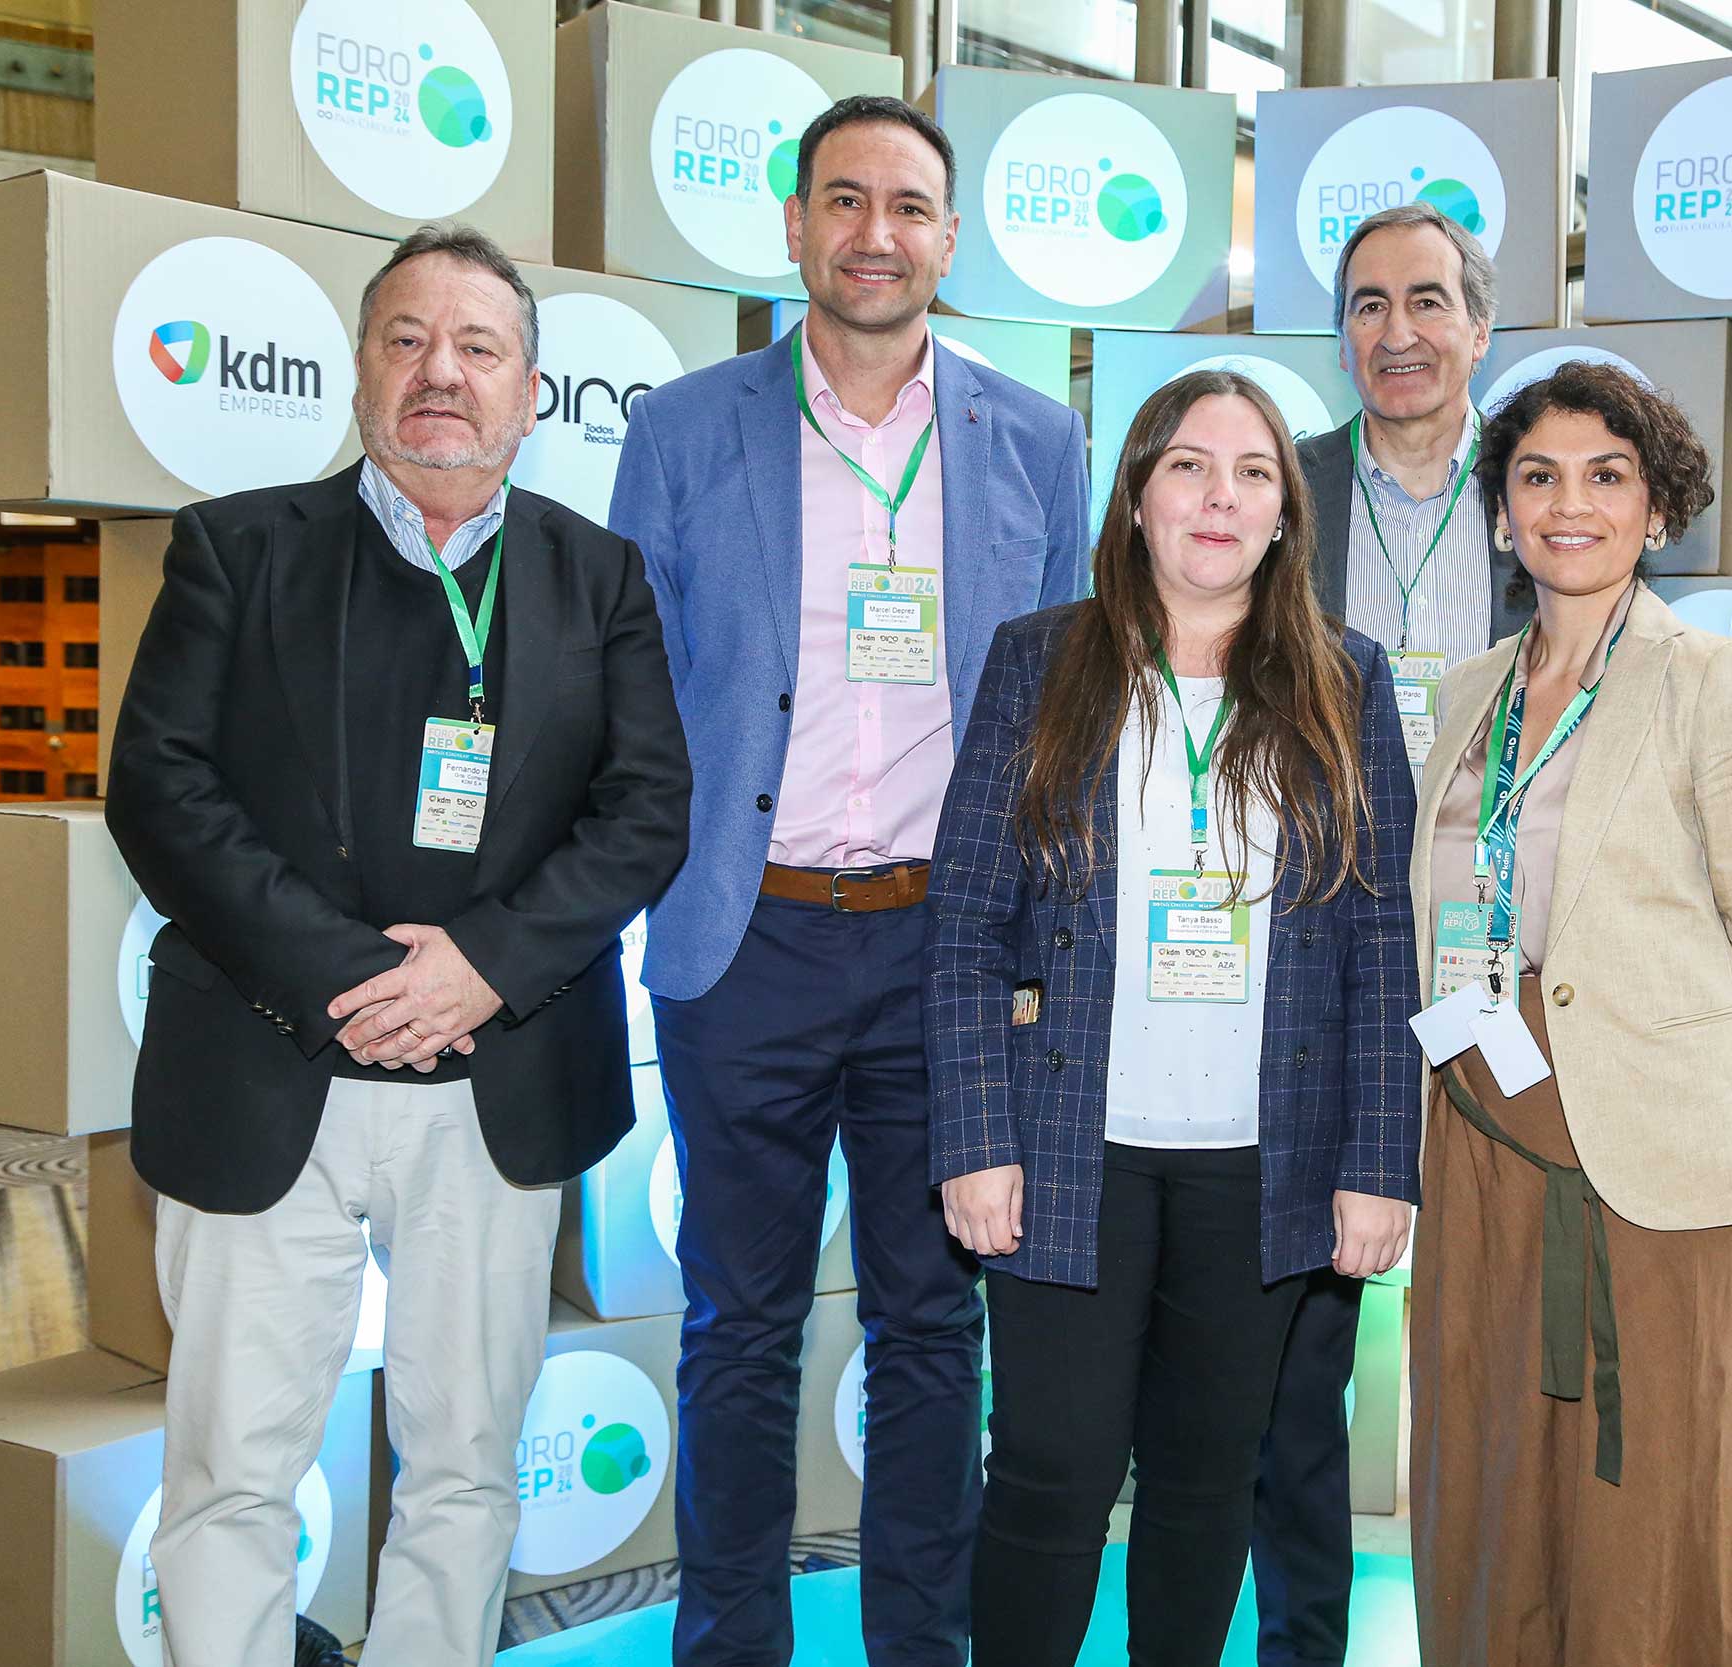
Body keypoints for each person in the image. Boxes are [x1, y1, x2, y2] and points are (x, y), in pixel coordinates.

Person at [105, 224, 691, 1667]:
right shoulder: (238, 548)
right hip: (267, 1071)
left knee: (469, 1467)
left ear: (531, 394)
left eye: (479, 347)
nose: (442, 372)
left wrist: (480, 966)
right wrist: (355, 980)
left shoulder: (597, 575)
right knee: (232, 1470)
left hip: (497, 1083)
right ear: (361, 370)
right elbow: (160, 790)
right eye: (408, 339)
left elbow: (645, 813)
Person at [605, 93, 1091, 1667]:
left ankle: (921, 1651)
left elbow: (1066, 714)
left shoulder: (1036, 438)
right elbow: (633, 689)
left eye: (907, 206)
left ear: (951, 239)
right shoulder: (686, 430)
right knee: (736, 1331)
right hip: (745, 939)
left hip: (945, 951)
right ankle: (729, 1647)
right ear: (795, 226)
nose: (875, 234)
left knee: (932, 1331)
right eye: (843, 200)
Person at [924, 369, 1422, 1667]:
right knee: (1051, 1472)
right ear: (1138, 496)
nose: (1219, 496)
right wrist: (975, 1138)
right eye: (1189, 465)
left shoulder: (1346, 682)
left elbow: (1381, 940)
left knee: (1208, 1483)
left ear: (1285, 512)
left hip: (1262, 1162)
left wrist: (1378, 1166)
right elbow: (966, 919)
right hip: (1063, 1146)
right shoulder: (1041, 661)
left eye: (1253, 472)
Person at [1408, 359, 1732, 1666]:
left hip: (1657, 1160)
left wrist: (1725, 1147)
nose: (1569, 505)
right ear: (1500, 513)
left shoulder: (1719, 681)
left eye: (1607, 476)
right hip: (1476, 1121)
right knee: (1483, 1463)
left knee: (1648, 1493)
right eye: (1538, 477)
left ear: (1658, 509)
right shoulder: (1467, 692)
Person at [1255, 198, 1525, 1667]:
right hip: (1317, 961)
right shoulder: (1279, 488)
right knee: (1301, 1361)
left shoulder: (1552, 478)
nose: (1398, 332)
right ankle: (1304, 1646)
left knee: (1500, 1349)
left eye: (1428, 301)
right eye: (1367, 304)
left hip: (1512, 968)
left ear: (1479, 327)